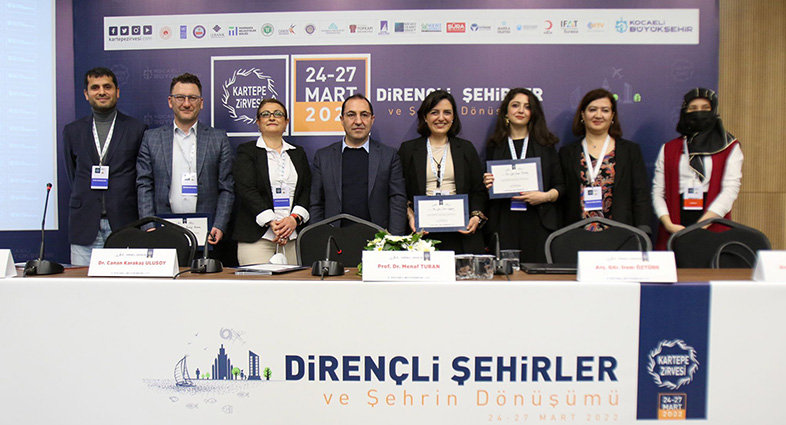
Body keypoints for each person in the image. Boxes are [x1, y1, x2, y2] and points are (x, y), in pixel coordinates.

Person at [136, 73, 234, 246]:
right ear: (170, 101)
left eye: (192, 98)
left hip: (207, 233)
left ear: (201, 103)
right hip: (163, 231)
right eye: (180, 97)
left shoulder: (218, 138)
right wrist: (149, 226)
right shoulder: (151, 138)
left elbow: (227, 188)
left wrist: (219, 225)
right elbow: (144, 185)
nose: (186, 103)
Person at [63, 67, 147, 265]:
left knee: (124, 283)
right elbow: (72, 174)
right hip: (84, 225)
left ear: (117, 92)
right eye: (95, 87)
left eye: (107, 87)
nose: (101, 92)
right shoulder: (72, 131)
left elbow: (142, 177)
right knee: (81, 284)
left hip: (124, 224)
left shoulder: (137, 129)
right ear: (86, 94)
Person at [398, 90, 487, 254]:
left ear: (453, 117)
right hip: (422, 232)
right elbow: (399, 192)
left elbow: (478, 190)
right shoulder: (408, 150)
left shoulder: (466, 148)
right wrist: (410, 216)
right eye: (434, 112)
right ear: (425, 117)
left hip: (461, 231)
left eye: (447, 112)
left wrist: (475, 217)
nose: (441, 118)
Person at [652, 88, 743, 249]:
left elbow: (730, 190)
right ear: (684, 112)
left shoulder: (730, 146)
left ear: (714, 111)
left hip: (713, 223)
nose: (699, 113)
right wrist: (668, 224)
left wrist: (701, 225)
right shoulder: (669, 148)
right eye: (693, 109)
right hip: (674, 226)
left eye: (705, 108)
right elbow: (658, 191)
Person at [483, 88, 564, 263]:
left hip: (538, 222)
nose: (521, 111)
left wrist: (545, 196)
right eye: (515, 105)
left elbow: (561, 186)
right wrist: (486, 183)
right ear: (506, 111)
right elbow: (483, 189)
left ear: (533, 113)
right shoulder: (494, 145)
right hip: (504, 222)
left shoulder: (546, 144)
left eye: (527, 107)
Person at [310, 94, 407, 235]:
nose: (358, 121)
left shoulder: (389, 155)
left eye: (364, 115)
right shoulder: (323, 157)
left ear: (372, 119)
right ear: (342, 120)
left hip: (377, 239)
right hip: (335, 238)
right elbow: (316, 203)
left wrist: (394, 240)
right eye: (351, 115)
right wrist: (319, 236)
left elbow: (397, 200)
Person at [559, 88, 651, 233]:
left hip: (620, 233)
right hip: (576, 233)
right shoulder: (567, 153)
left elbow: (640, 194)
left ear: (612, 115)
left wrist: (643, 230)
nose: (598, 115)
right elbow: (562, 197)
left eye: (605, 110)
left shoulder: (630, 151)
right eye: (592, 109)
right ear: (583, 114)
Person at [233, 99, 310, 265]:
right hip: (257, 238)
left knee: (294, 283)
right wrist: (272, 222)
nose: (272, 117)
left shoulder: (298, 153)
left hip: (292, 238)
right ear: (258, 122)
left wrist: (294, 219)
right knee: (258, 283)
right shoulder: (247, 151)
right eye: (265, 114)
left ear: (286, 122)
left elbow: (306, 190)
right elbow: (246, 189)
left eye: (278, 114)